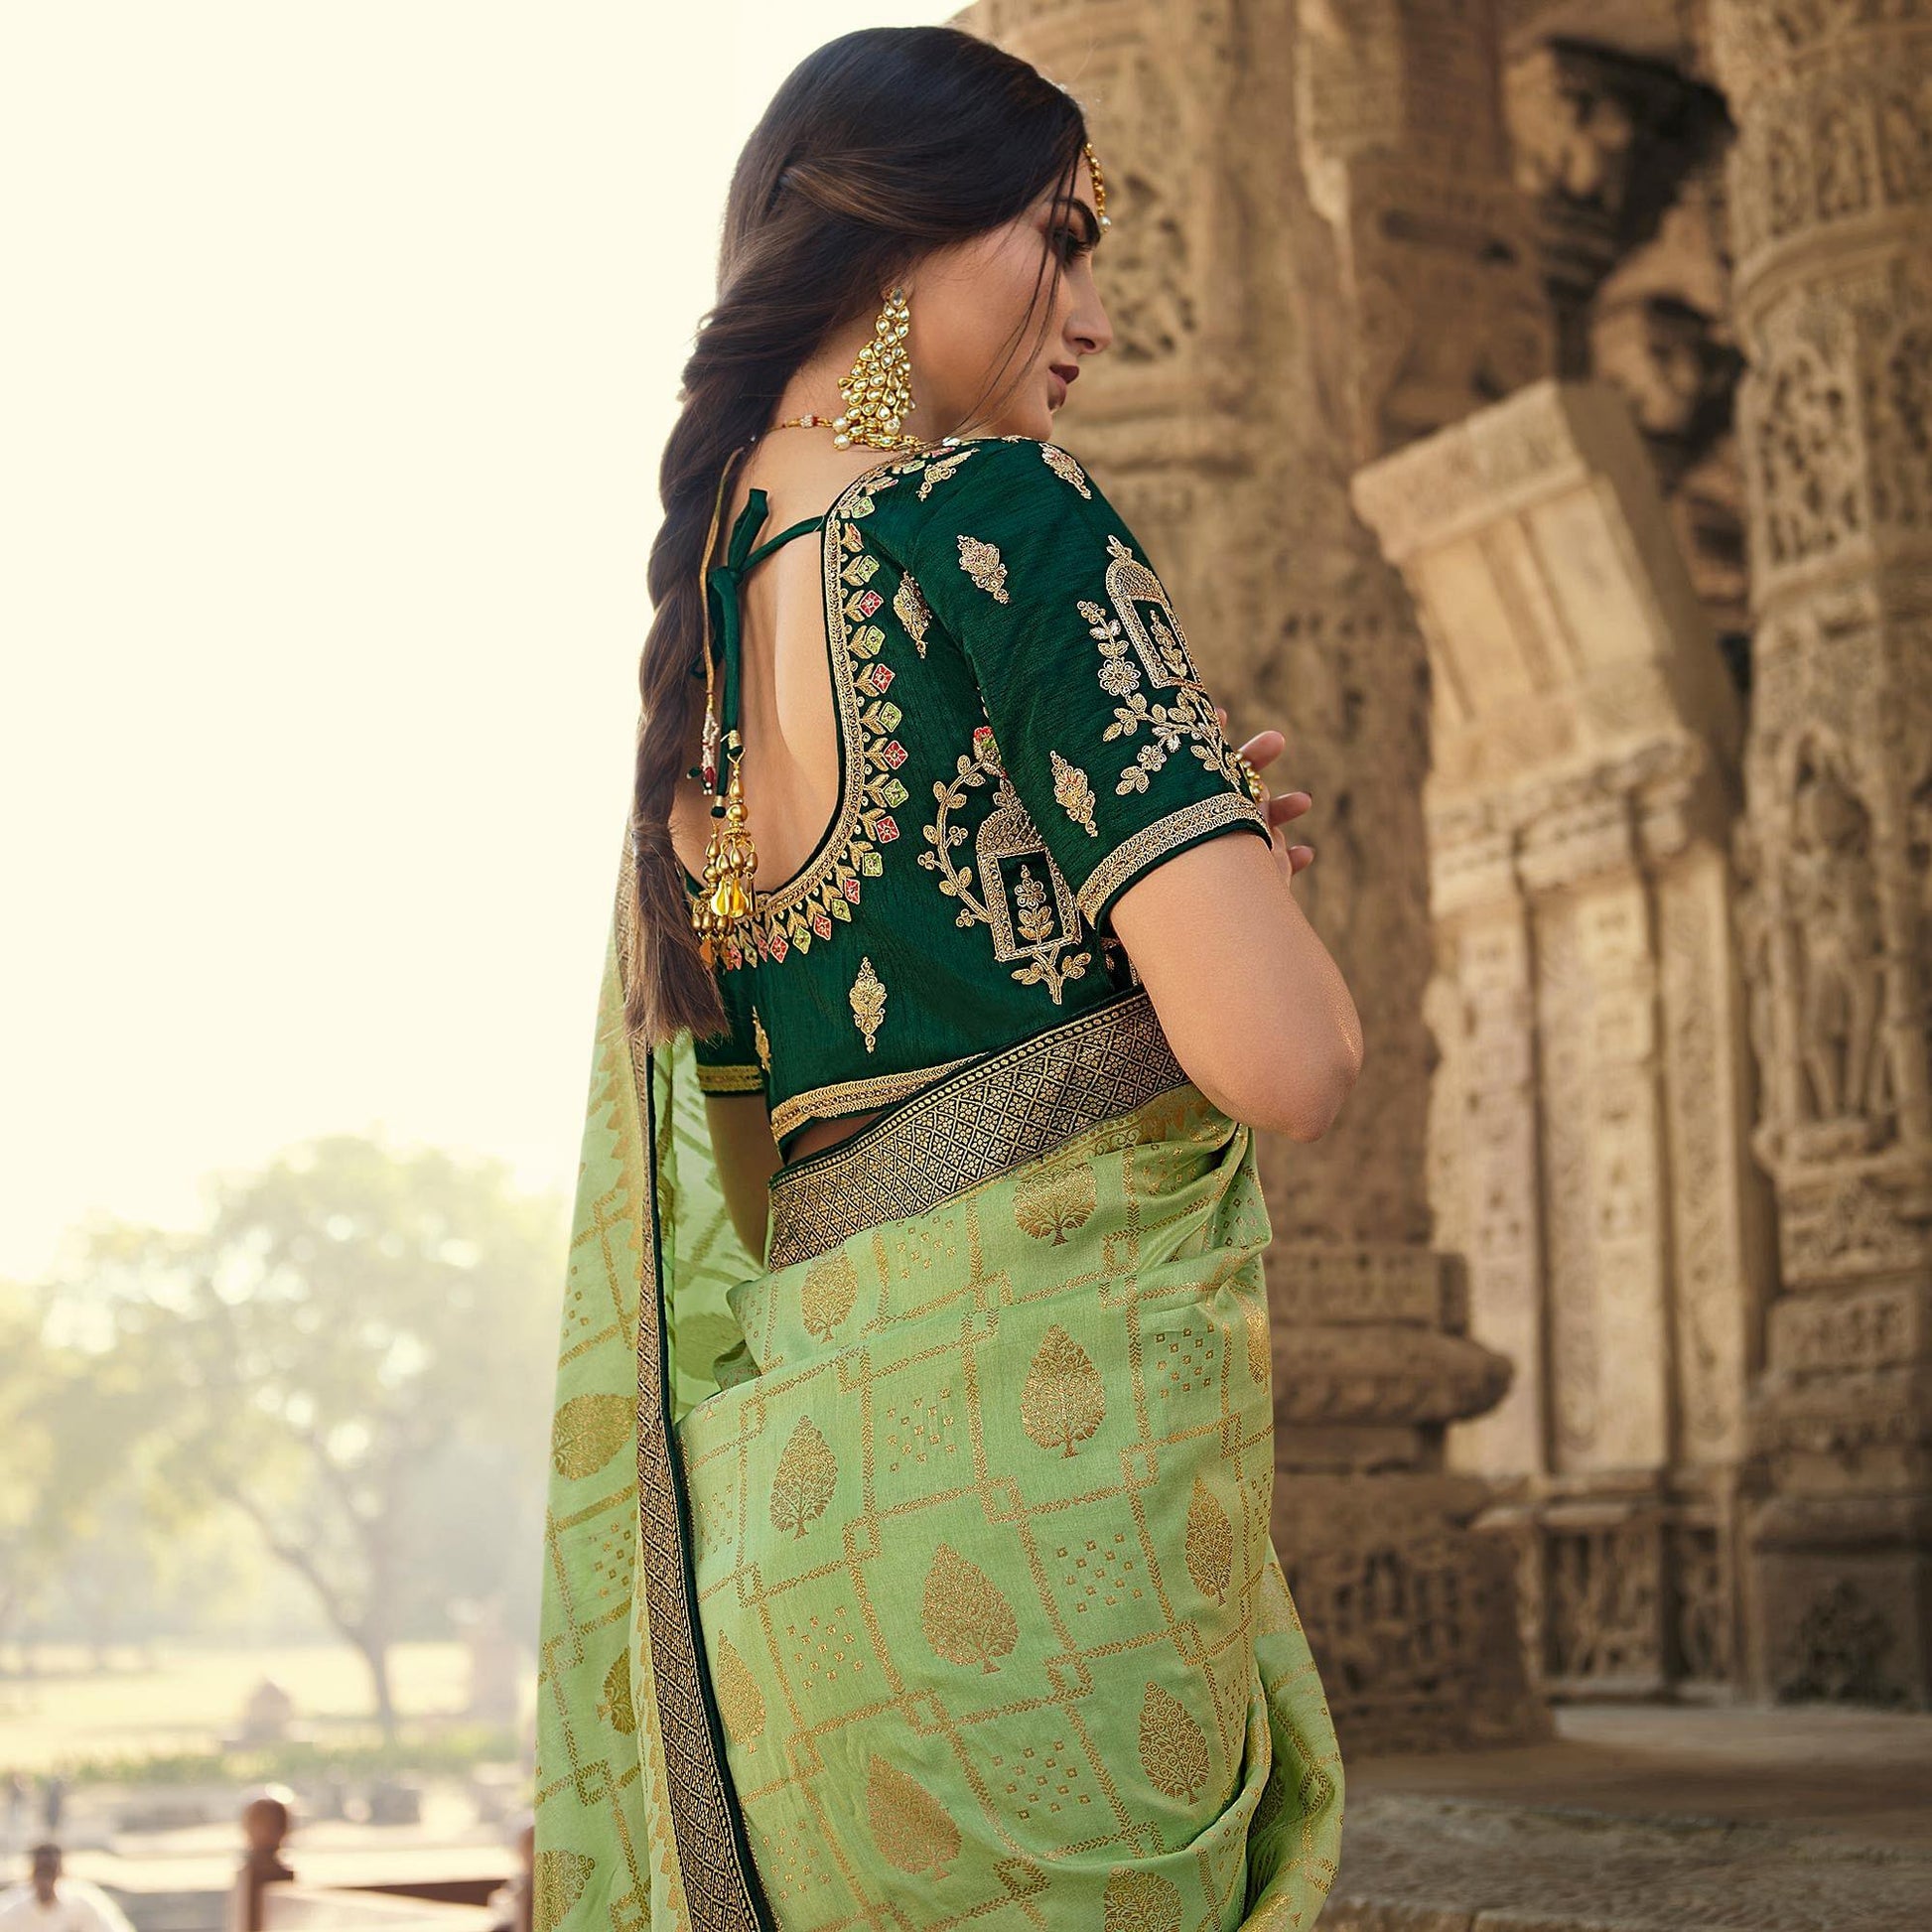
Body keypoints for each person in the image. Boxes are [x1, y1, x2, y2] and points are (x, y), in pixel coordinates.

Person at [533, 24, 1360, 1930]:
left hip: (811, 1575)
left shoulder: (706, 645)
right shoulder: (1002, 519)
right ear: (899, 236)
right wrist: (1247, 940)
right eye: (1057, 235)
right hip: (1042, 1548)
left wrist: (1145, 921)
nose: (1090, 303)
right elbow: (1293, 1062)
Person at [0, 1846, 136, 1932]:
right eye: (42, 1873)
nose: (46, 1882)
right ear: (32, 1874)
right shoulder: (9, 1908)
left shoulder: (85, 1902)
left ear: (61, 1874)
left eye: (50, 1873)